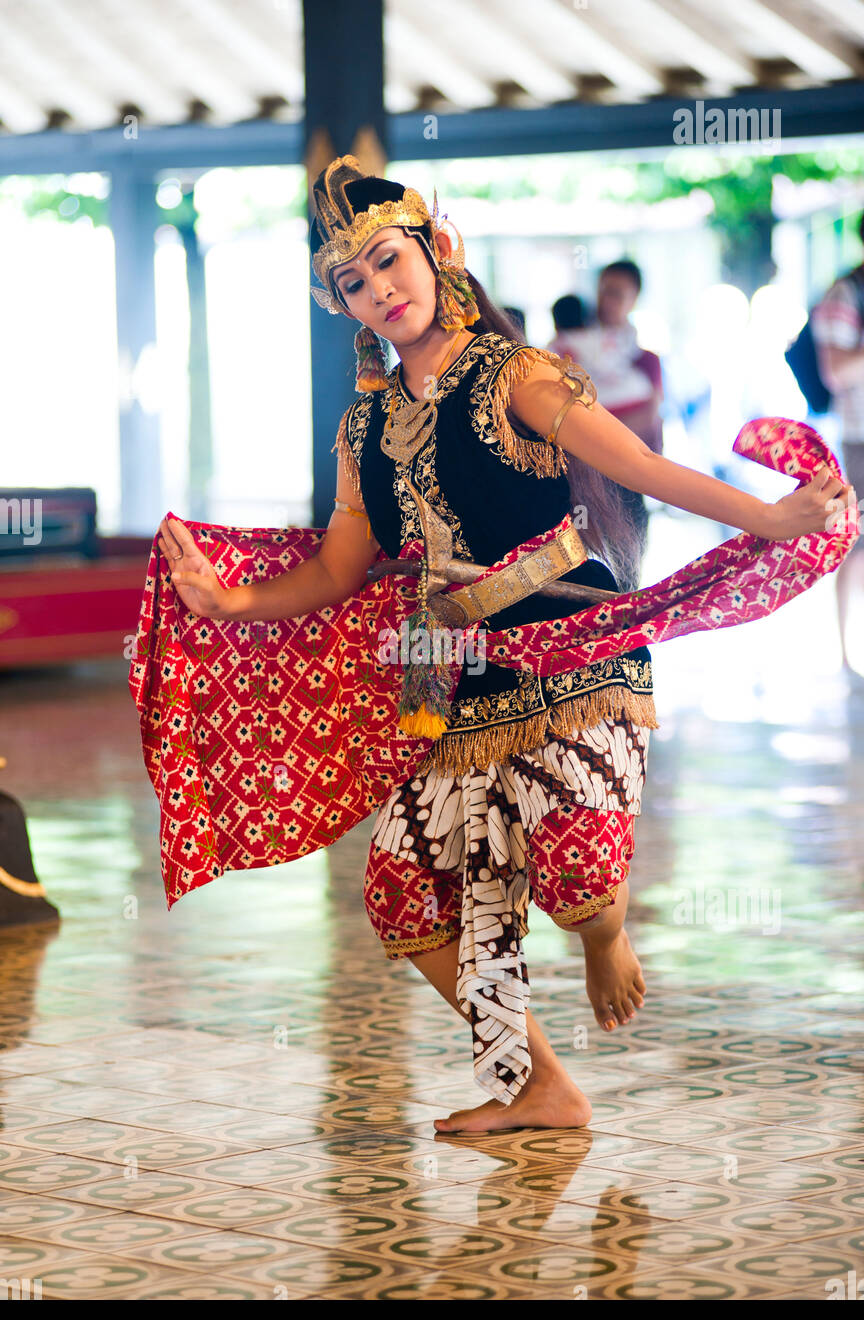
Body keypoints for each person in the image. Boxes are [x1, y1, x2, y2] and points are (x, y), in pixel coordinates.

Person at [146, 156, 856, 1136]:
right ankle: (536, 1086)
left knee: (573, 870)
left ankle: (605, 930)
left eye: (390, 261)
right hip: (461, 680)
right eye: (355, 281)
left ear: (438, 251)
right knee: (404, 889)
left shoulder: (514, 372)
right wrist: (224, 602)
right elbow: (338, 571)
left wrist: (771, 520)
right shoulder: (366, 422)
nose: (380, 290)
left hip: (576, 642)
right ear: (342, 302)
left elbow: (641, 465)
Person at [553, 262, 663, 563]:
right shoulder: (572, 348)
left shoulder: (645, 361)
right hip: (580, 485)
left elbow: (649, 418)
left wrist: (587, 433)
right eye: (602, 291)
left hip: (626, 483)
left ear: (634, 298)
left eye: (616, 293)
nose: (606, 301)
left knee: (626, 572)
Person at [811, 213, 864, 678]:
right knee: (856, 541)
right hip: (861, 434)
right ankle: (849, 652)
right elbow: (836, 371)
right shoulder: (845, 294)